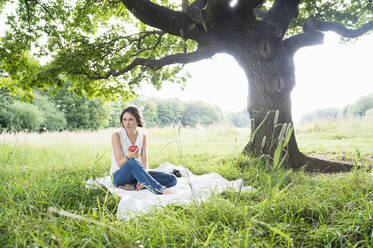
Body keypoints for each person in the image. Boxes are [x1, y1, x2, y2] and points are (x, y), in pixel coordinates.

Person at [110, 106, 177, 195]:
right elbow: (119, 163)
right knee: (132, 162)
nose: (127, 123)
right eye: (124, 119)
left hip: (136, 174)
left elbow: (144, 159)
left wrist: (142, 179)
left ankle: (133, 186)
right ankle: (160, 190)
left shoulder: (142, 136)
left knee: (172, 179)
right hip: (118, 176)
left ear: (137, 120)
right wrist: (129, 156)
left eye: (130, 119)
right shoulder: (117, 135)